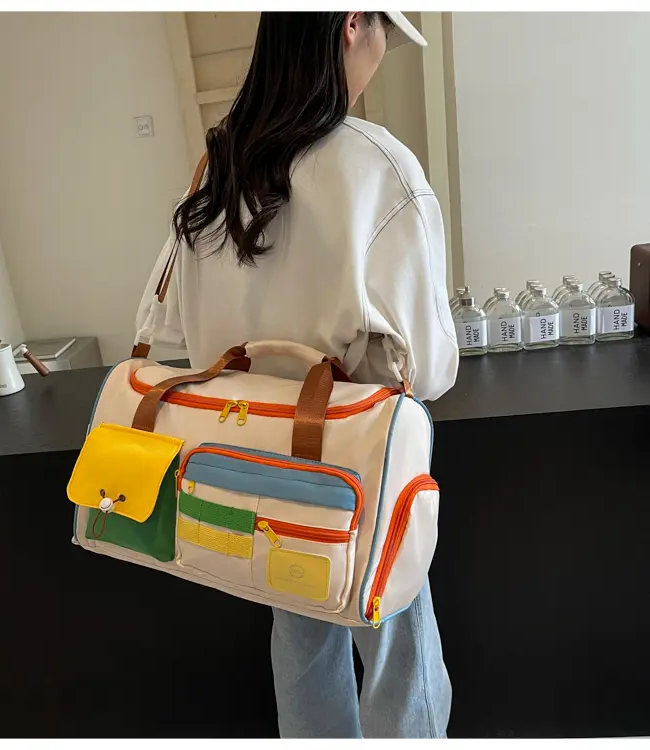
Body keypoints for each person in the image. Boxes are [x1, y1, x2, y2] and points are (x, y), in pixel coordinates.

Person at [135, 11, 458, 739]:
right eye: (385, 34)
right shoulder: (377, 166)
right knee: (394, 630)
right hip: (352, 448)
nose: (382, 53)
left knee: (300, 620)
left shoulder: (218, 168)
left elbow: (174, 331)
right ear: (352, 23)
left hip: (249, 446)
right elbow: (431, 367)